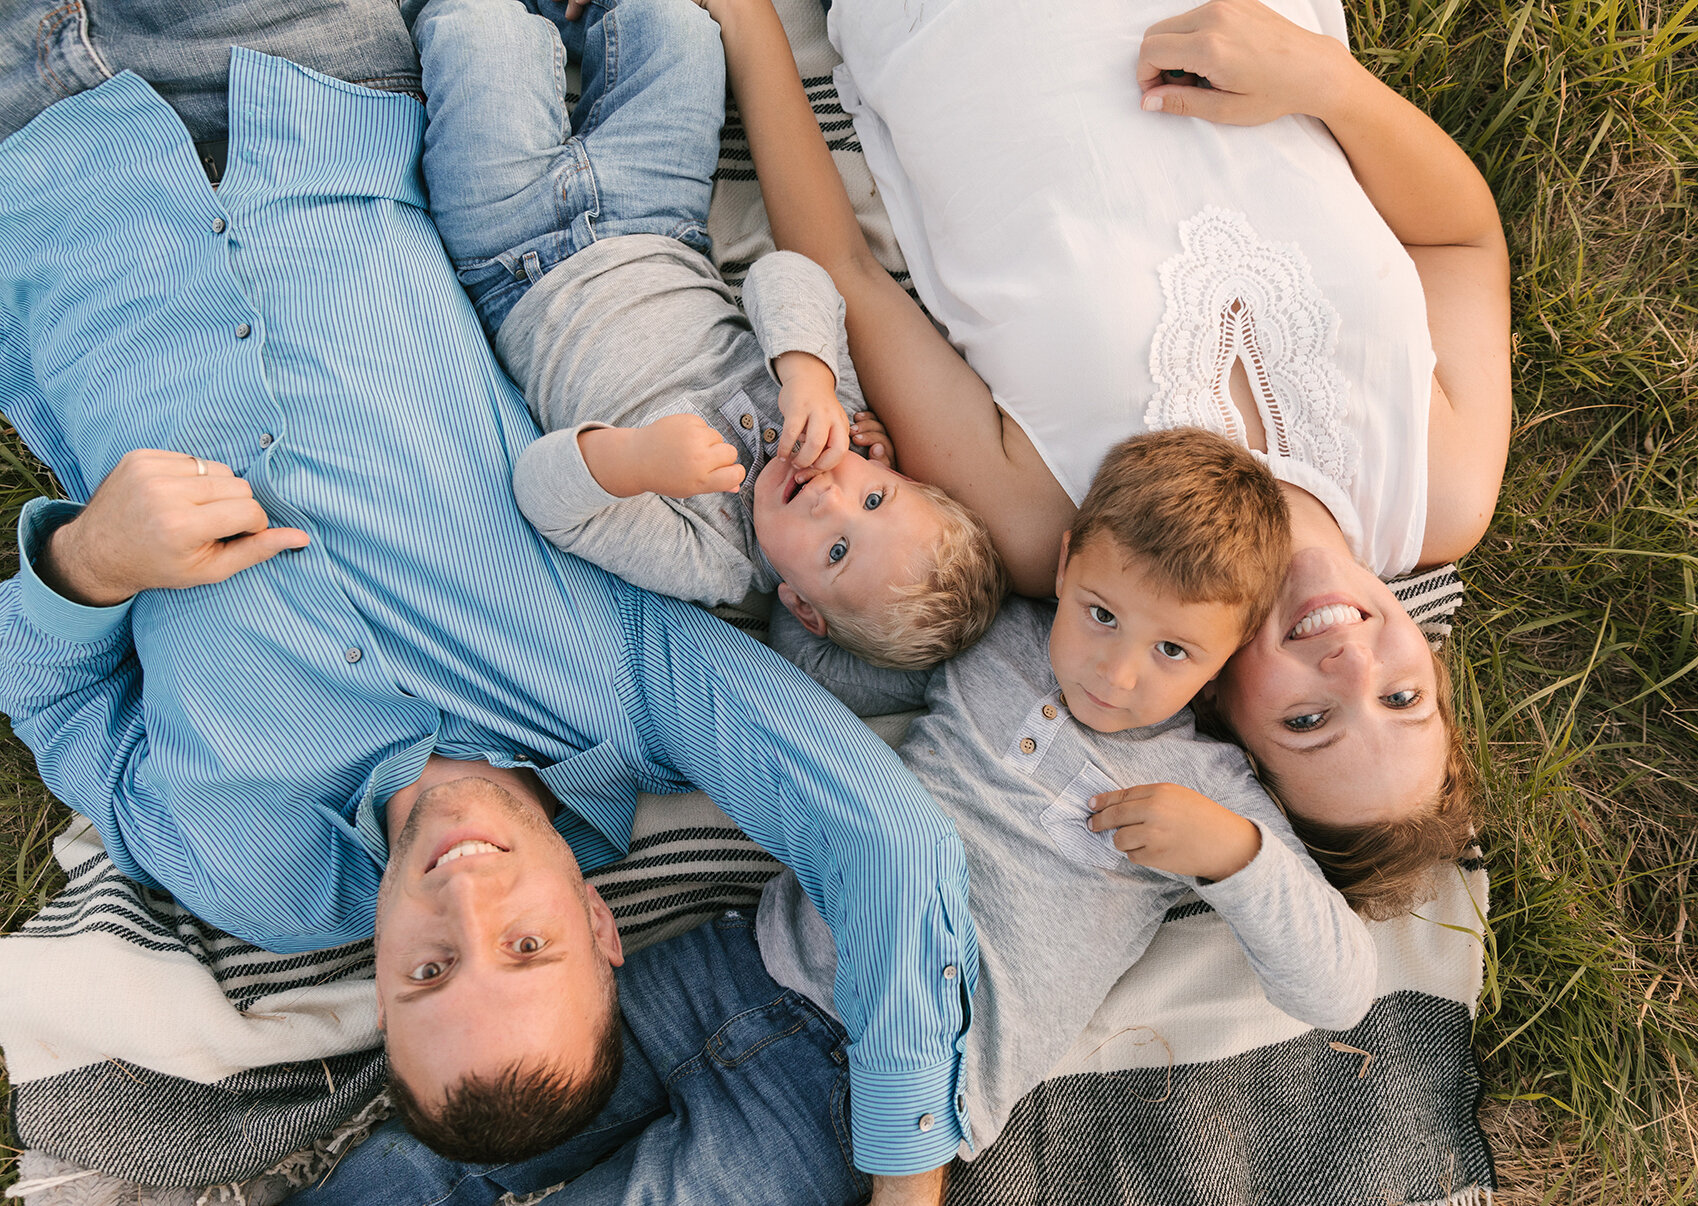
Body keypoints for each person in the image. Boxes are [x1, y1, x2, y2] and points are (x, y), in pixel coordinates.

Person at [0, 30, 971, 1193]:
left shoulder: (243, 867)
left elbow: (48, 696)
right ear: (602, 930)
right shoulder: (630, 688)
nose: (465, 895)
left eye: (426, 973)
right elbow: (886, 842)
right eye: (525, 946)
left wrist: (95, 559)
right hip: (295, 82)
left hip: (44, 187)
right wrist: (911, 1175)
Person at [287, 425, 1380, 1206]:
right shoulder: (994, 642)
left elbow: (1338, 986)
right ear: (1065, 570)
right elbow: (820, 681)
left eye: (1174, 652)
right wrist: (832, 583)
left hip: (856, 1095)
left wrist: (1232, 856)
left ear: (1228, 656)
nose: (1118, 669)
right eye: (1099, 614)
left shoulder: (1215, 796)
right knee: (495, 1117)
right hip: (749, 960)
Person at [714, 0, 1507, 909]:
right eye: (1404, 699)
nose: (1356, 669)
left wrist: (747, 21)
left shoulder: (1061, 525)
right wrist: (1326, 81)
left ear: (1218, 713)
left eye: (1308, 721)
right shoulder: (1438, 492)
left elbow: (842, 271)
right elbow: (1460, 242)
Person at [412, 0, 1006, 669]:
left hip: (511, 256)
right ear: (888, 468)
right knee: (679, 27)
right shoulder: (829, 408)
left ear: (800, 606)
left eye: (836, 551)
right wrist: (804, 370)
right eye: (874, 497)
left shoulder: (710, 558)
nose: (829, 499)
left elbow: (545, 497)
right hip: (654, 215)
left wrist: (634, 463)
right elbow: (784, 272)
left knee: (479, 30)